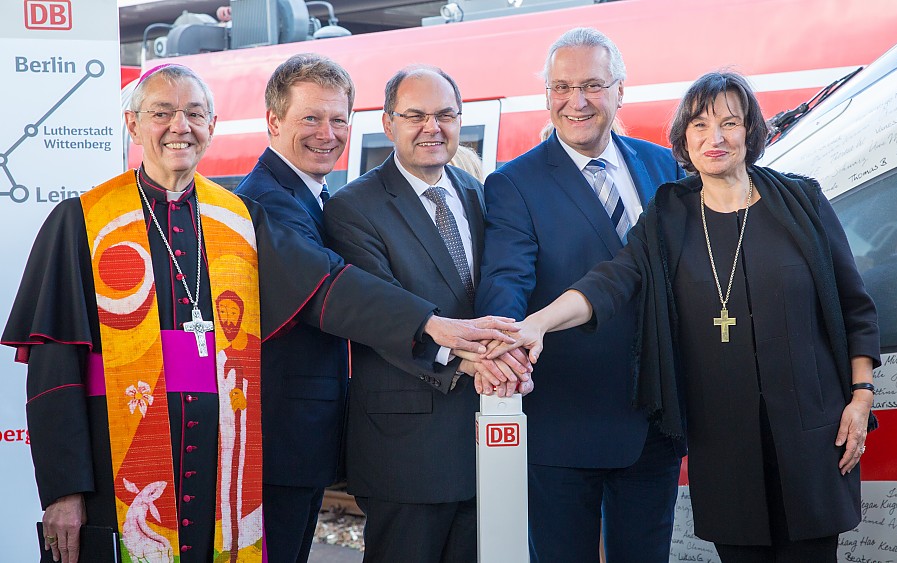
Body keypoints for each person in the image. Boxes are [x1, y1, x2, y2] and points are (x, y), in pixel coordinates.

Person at [1, 64, 517, 563]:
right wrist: (63, 490)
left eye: (195, 113)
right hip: (121, 456)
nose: (180, 127)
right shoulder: (82, 221)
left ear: (213, 126)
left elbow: (326, 283)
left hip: (225, 461)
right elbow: (55, 372)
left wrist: (430, 326)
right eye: (162, 113)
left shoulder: (236, 217)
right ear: (133, 124)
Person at [498, 71, 880, 562]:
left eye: (729, 123)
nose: (714, 138)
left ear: (751, 131)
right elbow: (609, 281)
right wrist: (537, 324)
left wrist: (862, 395)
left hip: (812, 433)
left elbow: (856, 304)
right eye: (699, 126)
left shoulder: (801, 201)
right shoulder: (669, 215)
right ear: (683, 138)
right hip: (724, 444)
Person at [475, 27, 686, 563]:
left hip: (654, 420)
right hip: (564, 424)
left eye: (592, 84)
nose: (577, 101)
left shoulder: (663, 166)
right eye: (561, 87)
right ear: (547, 95)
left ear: (620, 89)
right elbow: (506, 279)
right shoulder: (514, 183)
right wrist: (504, 340)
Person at [324, 65, 531, 563]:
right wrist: (477, 360)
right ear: (388, 123)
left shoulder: (479, 192)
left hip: (487, 433)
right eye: (414, 115)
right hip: (407, 446)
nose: (431, 127)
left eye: (444, 115)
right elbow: (379, 314)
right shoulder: (353, 208)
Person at [231, 53, 351, 562]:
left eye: (339, 119)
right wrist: (434, 326)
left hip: (299, 436)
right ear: (274, 122)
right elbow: (330, 291)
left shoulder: (310, 195)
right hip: (280, 439)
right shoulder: (269, 200)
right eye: (311, 118)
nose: (328, 133)